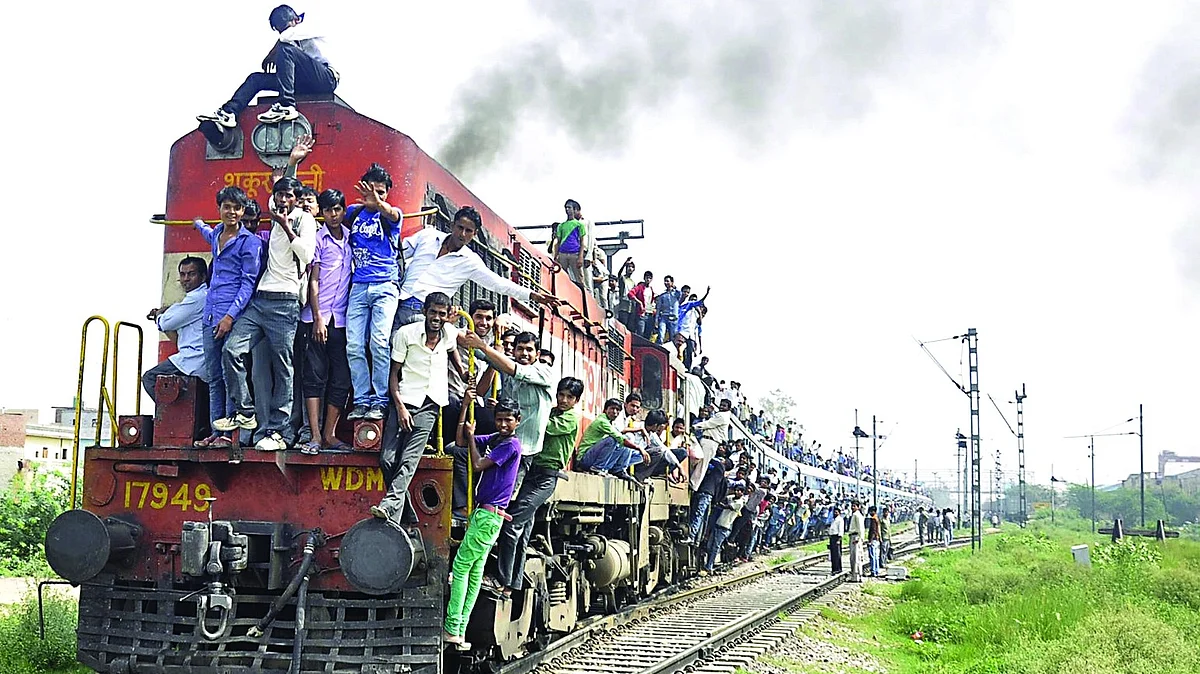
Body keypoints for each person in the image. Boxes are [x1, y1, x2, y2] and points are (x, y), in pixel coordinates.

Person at [215, 176, 317, 451]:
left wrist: (286, 227)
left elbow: (307, 256)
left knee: (284, 368)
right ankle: (245, 411)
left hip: (285, 303)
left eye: (289, 195)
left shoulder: (303, 220)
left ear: (296, 198)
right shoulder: (275, 210)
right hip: (260, 300)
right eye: (279, 194)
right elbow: (282, 185)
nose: (283, 200)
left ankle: (279, 432)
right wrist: (291, 163)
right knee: (231, 350)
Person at [370, 293, 463, 525]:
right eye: (433, 312)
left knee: (409, 460)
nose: (437, 318)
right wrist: (400, 407)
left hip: (430, 404)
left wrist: (469, 375)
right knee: (387, 460)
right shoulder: (406, 334)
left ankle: (389, 505)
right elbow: (393, 375)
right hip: (404, 400)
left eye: (442, 314)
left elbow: (458, 363)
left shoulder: (449, 335)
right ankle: (407, 512)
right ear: (425, 311)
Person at [488, 378, 583, 598]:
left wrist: (510, 418)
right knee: (523, 532)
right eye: (561, 395)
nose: (563, 400)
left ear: (576, 401)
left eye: (569, 397)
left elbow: (541, 427)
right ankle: (513, 584)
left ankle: (504, 582)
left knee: (512, 525)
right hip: (532, 473)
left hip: (546, 479)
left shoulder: (569, 420)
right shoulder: (550, 411)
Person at [395, 206, 559, 329]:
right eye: (460, 228)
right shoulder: (428, 236)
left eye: (469, 231)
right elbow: (398, 254)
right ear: (452, 225)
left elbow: (497, 283)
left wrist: (532, 295)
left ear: (474, 234)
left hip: (427, 313)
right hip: (397, 300)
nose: (463, 234)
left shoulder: (470, 261)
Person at [442, 396, 522, 648]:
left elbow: (476, 465)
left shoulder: (510, 445)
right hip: (486, 515)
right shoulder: (497, 440)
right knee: (474, 572)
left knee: (461, 567)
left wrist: (473, 436)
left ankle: (452, 626)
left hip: (488, 515)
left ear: (517, 422)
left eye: (508, 420)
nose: (502, 424)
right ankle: (459, 629)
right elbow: (460, 442)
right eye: (499, 419)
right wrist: (465, 410)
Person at [192, 187, 263, 448]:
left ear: (242, 212)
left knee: (231, 373)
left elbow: (248, 283)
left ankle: (229, 435)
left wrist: (231, 317)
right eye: (227, 207)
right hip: (210, 315)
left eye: (236, 208)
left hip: (232, 315)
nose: (231, 212)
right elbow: (207, 231)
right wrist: (197, 222)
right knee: (214, 376)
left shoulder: (250, 243)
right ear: (219, 209)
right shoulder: (217, 236)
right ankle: (215, 430)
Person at [197, 5, 338, 127]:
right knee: (256, 79)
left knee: (286, 48)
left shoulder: (309, 24)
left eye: (284, 28)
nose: (282, 33)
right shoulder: (288, 36)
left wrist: (270, 55)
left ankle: (286, 105)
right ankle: (229, 113)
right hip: (301, 83)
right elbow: (285, 36)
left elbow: (286, 37)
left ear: (296, 20)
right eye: (279, 30)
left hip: (325, 79)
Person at [345, 164, 404, 422]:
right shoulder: (353, 213)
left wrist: (378, 203)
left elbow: (391, 214)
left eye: (382, 192)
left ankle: (379, 400)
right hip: (358, 286)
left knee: (379, 343)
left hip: (385, 286)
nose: (377, 195)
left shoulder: (392, 215)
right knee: (354, 345)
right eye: (372, 190)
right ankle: (361, 399)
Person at [463, 329, 553, 496]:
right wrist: (450, 326)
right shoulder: (507, 362)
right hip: (502, 442)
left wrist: (482, 345)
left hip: (524, 449)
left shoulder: (543, 371)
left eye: (529, 349)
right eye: (520, 349)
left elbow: (512, 368)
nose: (524, 353)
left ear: (537, 353)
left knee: (507, 497)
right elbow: (475, 350)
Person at [297, 189, 352, 454]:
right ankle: (316, 436)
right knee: (314, 376)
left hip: (341, 320)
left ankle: (330, 434)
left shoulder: (350, 239)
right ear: (322, 211)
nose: (333, 214)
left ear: (343, 211)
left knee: (341, 378)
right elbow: (314, 281)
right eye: (329, 210)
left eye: (338, 209)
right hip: (316, 318)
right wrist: (318, 318)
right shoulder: (318, 239)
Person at [143, 257, 209, 401]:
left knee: (150, 378)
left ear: (203, 276)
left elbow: (166, 323)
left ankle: (168, 415)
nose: (186, 279)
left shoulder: (197, 298)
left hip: (193, 359)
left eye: (191, 274)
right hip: (197, 360)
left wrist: (159, 315)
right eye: (182, 274)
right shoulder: (197, 298)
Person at [574, 398, 648, 479]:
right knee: (613, 440)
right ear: (605, 409)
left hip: (592, 458)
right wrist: (639, 448)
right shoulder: (602, 421)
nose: (615, 412)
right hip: (584, 459)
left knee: (634, 452)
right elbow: (619, 438)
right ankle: (598, 468)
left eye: (618, 410)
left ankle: (610, 469)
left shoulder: (610, 422)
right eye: (612, 408)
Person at [703, 485, 747, 574]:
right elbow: (725, 498)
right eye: (737, 490)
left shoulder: (740, 503)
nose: (738, 492)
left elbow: (727, 506)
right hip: (718, 524)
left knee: (715, 546)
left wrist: (719, 503)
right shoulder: (731, 497)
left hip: (725, 527)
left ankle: (709, 566)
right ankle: (708, 563)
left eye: (740, 491)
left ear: (742, 493)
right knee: (709, 545)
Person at [546, 199, 590, 286]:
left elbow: (582, 242)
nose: (567, 209)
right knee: (562, 277)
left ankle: (582, 298)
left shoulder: (579, 224)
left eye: (569, 207)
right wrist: (556, 256)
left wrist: (581, 256)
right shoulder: (561, 225)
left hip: (575, 253)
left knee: (580, 280)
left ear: (574, 209)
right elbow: (558, 242)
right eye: (566, 207)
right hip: (563, 254)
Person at [653, 275, 681, 344]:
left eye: (667, 281)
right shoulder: (663, 295)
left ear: (671, 282)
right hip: (664, 317)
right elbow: (658, 308)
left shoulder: (676, 294)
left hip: (673, 318)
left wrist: (675, 287)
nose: (666, 283)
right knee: (661, 335)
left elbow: (681, 294)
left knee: (672, 338)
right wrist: (656, 320)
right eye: (665, 281)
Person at [627, 271, 655, 339]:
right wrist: (639, 302)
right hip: (641, 315)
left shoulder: (651, 289)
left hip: (650, 315)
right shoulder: (640, 287)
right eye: (647, 278)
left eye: (650, 278)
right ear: (644, 278)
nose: (648, 279)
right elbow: (630, 294)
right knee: (640, 334)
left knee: (648, 335)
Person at [848, 500, 865, 582]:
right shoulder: (856, 515)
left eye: (854, 506)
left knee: (855, 557)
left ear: (858, 507)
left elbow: (861, 528)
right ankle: (856, 575)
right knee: (855, 557)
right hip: (854, 536)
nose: (852, 507)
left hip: (855, 537)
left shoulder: (857, 515)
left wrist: (859, 538)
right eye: (852, 505)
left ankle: (856, 576)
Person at [866, 505, 882, 577]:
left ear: (874, 511)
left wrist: (870, 540)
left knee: (872, 556)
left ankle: (873, 571)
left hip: (873, 539)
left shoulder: (873, 519)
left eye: (871, 511)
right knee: (876, 556)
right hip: (877, 539)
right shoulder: (877, 518)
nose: (870, 513)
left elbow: (873, 530)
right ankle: (876, 570)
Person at [828, 505, 844, 574]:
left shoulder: (840, 520)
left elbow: (841, 530)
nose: (835, 513)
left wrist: (839, 539)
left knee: (837, 554)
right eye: (834, 512)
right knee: (833, 554)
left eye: (836, 512)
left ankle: (838, 568)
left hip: (837, 537)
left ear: (839, 513)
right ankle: (834, 568)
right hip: (832, 537)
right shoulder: (833, 520)